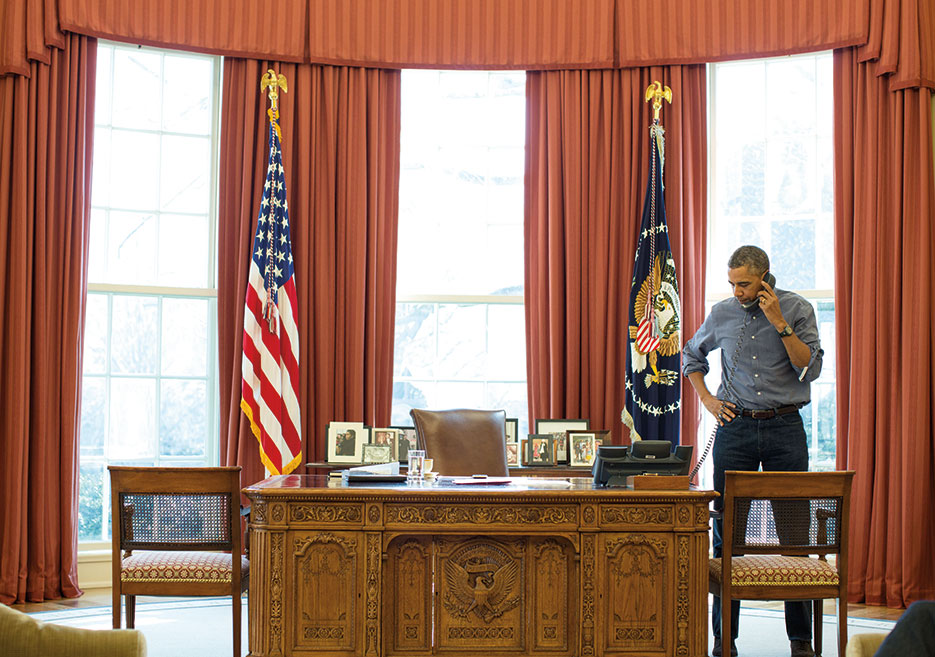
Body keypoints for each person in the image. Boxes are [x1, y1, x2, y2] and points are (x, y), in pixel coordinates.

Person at [682, 245, 823, 657]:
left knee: (794, 534)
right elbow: (692, 354)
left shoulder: (797, 309)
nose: (737, 291)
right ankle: (725, 640)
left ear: (764, 278)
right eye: (732, 283)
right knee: (728, 536)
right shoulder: (724, 312)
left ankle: (801, 642)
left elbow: (809, 367)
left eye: (744, 284)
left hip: (785, 427)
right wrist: (708, 400)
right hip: (735, 427)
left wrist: (779, 322)